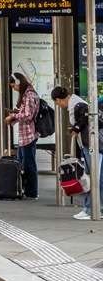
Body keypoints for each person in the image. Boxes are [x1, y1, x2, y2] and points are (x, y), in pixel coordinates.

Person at [52, 85, 97, 219]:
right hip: (89, 144)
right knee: (93, 177)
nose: (58, 105)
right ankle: (92, 208)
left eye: (56, 103)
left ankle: (90, 209)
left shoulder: (76, 104)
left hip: (90, 145)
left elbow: (85, 116)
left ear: (58, 100)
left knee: (92, 178)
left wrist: (76, 128)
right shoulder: (76, 102)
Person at [4, 71, 40, 199]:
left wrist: (13, 116)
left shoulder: (29, 95)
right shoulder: (26, 94)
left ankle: (32, 191)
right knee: (22, 164)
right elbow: (26, 112)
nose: (14, 89)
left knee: (29, 164)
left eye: (14, 86)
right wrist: (17, 113)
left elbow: (28, 115)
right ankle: (24, 189)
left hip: (28, 135)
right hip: (24, 136)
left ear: (18, 82)